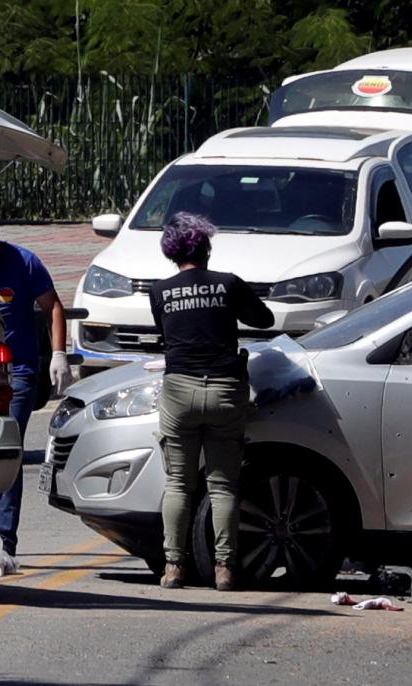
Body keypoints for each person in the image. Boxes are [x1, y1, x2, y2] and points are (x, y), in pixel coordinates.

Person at [149, 212, 274, 591]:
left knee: (178, 483)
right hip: (223, 389)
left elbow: (166, 331)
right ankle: (224, 569)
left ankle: (173, 567)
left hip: (179, 391)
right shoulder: (228, 284)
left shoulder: (160, 291)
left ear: (171, 253)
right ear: (206, 247)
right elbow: (264, 320)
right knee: (223, 486)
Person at [0, 199, 72, 557]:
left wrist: (58, 353)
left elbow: (52, 306)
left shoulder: (23, 262)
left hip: (16, 373)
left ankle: (3, 539)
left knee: (6, 449)